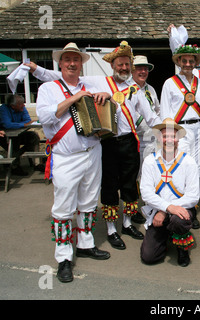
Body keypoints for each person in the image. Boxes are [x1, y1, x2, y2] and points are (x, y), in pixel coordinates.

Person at [28, 41, 161, 249]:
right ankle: (110, 229)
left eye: (127, 64)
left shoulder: (135, 89)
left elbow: (151, 117)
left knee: (129, 185)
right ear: (112, 65)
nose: (124, 68)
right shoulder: (98, 81)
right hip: (106, 142)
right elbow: (61, 78)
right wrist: (36, 69)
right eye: (120, 64)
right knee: (108, 186)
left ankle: (126, 224)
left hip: (129, 142)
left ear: (131, 67)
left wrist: (169, 129)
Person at [36, 42, 111, 283]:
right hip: (66, 157)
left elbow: (113, 94)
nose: (72, 63)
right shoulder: (49, 87)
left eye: (76, 60)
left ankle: (86, 244)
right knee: (63, 208)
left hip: (93, 151)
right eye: (67, 59)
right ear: (60, 63)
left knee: (89, 202)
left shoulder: (90, 84)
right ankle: (64, 258)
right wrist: (75, 98)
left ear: (81, 64)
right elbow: (45, 116)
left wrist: (105, 94)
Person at [160, 41, 200, 229]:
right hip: (180, 131)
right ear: (178, 62)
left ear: (196, 63)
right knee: (181, 168)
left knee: (197, 168)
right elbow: (165, 112)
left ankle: (191, 209)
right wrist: (170, 137)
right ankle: (179, 209)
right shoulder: (169, 84)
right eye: (184, 61)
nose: (187, 64)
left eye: (191, 61)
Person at [139, 118, 200, 267]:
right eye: (165, 136)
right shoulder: (150, 161)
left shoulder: (189, 162)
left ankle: (182, 246)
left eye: (173, 136)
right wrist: (166, 208)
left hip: (180, 210)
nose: (169, 140)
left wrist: (166, 211)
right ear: (159, 138)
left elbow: (193, 196)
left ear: (178, 138)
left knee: (178, 220)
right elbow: (146, 193)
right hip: (157, 211)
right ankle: (165, 236)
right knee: (149, 257)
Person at [129, 55, 160, 225]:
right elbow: (131, 114)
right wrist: (145, 126)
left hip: (152, 138)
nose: (143, 71)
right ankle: (132, 209)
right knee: (135, 175)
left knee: (151, 173)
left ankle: (150, 206)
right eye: (139, 68)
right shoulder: (128, 89)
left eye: (145, 68)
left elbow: (156, 109)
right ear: (132, 70)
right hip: (136, 138)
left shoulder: (150, 89)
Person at [0, 94, 44, 175]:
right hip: (5, 137)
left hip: (20, 134)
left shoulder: (22, 108)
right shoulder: (4, 109)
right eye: (20, 104)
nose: (23, 105)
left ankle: (37, 163)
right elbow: (7, 125)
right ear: (13, 106)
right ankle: (15, 167)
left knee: (33, 136)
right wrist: (23, 124)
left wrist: (19, 124)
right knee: (14, 141)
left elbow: (28, 120)